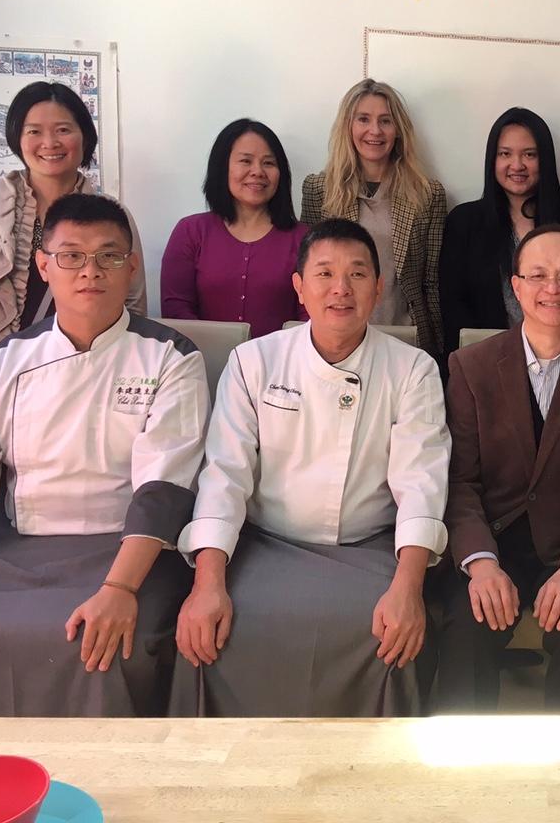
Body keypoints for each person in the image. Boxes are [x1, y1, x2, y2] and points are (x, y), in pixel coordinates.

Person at [171, 219, 450, 717]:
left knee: (391, 638)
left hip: (369, 547)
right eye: (324, 273)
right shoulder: (253, 361)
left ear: (378, 288)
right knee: (210, 630)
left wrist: (409, 589)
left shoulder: (413, 369)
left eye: (357, 274)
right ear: (299, 287)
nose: (341, 288)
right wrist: (207, 584)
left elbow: (421, 485)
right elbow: (224, 476)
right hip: (264, 545)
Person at [0, 193, 207, 717]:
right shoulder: (4, 363)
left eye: (109, 255)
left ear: (132, 267)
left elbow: (164, 486)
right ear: (44, 266)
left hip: (132, 551)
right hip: (20, 552)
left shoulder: (171, 356)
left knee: (112, 649)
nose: (91, 271)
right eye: (71, 256)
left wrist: (119, 587)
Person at [438, 224, 560, 711]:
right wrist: (481, 563)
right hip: (494, 542)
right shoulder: (471, 366)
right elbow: (459, 480)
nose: (553, 288)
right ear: (516, 284)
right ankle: (460, 754)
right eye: (538, 275)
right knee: (466, 624)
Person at [0, 82, 146, 345]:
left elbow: (133, 302)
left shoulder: (111, 215)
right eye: (34, 131)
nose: (49, 143)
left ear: (85, 136)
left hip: (87, 361)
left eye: (63, 130)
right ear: (17, 138)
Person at [301, 79, 446, 355]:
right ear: (348, 126)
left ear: (398, 130)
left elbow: (431, 283)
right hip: (338, 337)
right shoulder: (319, 190)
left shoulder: (427, 194)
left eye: (385, 121)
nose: (375, 131)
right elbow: (311, 274)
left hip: (406, 336)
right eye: (363, 119)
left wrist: (439, 352)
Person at [440, 108, 560, 356]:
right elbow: (453, 305)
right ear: (493, 160)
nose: (517, 165)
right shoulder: (464, 221)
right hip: (485, 359)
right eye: (505, 154)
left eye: (529, 154)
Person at [161, 119, 307, 338]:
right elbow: (176, 311)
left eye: (268, 163)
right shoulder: (190, 232)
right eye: (245, 161)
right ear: (222, 167)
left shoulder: (305, 239)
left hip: (283, 359)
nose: (258, 171)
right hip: (202, 357)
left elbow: (309, 317)